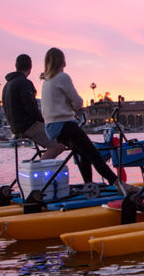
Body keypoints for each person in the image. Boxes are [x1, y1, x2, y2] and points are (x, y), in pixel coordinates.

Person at [40, 47, 129, 195]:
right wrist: (73, 106)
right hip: (65, 124)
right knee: (94, 154)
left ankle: (89, 185)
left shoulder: (46, 81)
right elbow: (77, 102)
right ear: (62, 61)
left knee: (82, 152)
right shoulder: (62, 77)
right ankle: (118, 184)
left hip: (51, 126)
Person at [1, 54, 67, 160]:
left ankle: (46, 166)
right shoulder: (24, 83)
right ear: (30, 67)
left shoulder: (7, 85)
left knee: (55, 141)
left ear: (16, 66)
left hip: (16, 127)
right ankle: (42, 168)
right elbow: (31, 108)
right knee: (60, 144)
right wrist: (44, 121)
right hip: (28, 126)